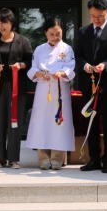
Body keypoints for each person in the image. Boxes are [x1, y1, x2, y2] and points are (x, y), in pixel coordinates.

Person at [73, 0, 107, 173]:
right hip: (88, 84)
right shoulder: (83, 31)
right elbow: (77, 54)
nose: (96, 19)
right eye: (93, 16)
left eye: (100, 16)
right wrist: (85, 65)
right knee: (90, 122)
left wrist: (105, 65)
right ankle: (93, 158)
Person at [25, 18, 76, 170]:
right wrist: (40, 74)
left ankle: (57, 158)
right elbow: (33, 68)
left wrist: (62, 73)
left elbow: (70, 68)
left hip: (60, 89)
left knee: (59, 123)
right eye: (52, 34)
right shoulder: (40, 49)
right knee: (42, 122)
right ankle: (43, 158)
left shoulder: (67, 49)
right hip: (43, 91)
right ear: (45, 33)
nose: (55, 37)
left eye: (58, 33)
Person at [0, 8, 32, 169]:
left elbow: (30, 61)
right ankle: (1, 158)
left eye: (4, 22)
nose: (1, 26)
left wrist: (20, 65)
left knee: (15, 123)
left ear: (11, 23)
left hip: (17, 88)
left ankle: (14, 158)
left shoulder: (23, 41)